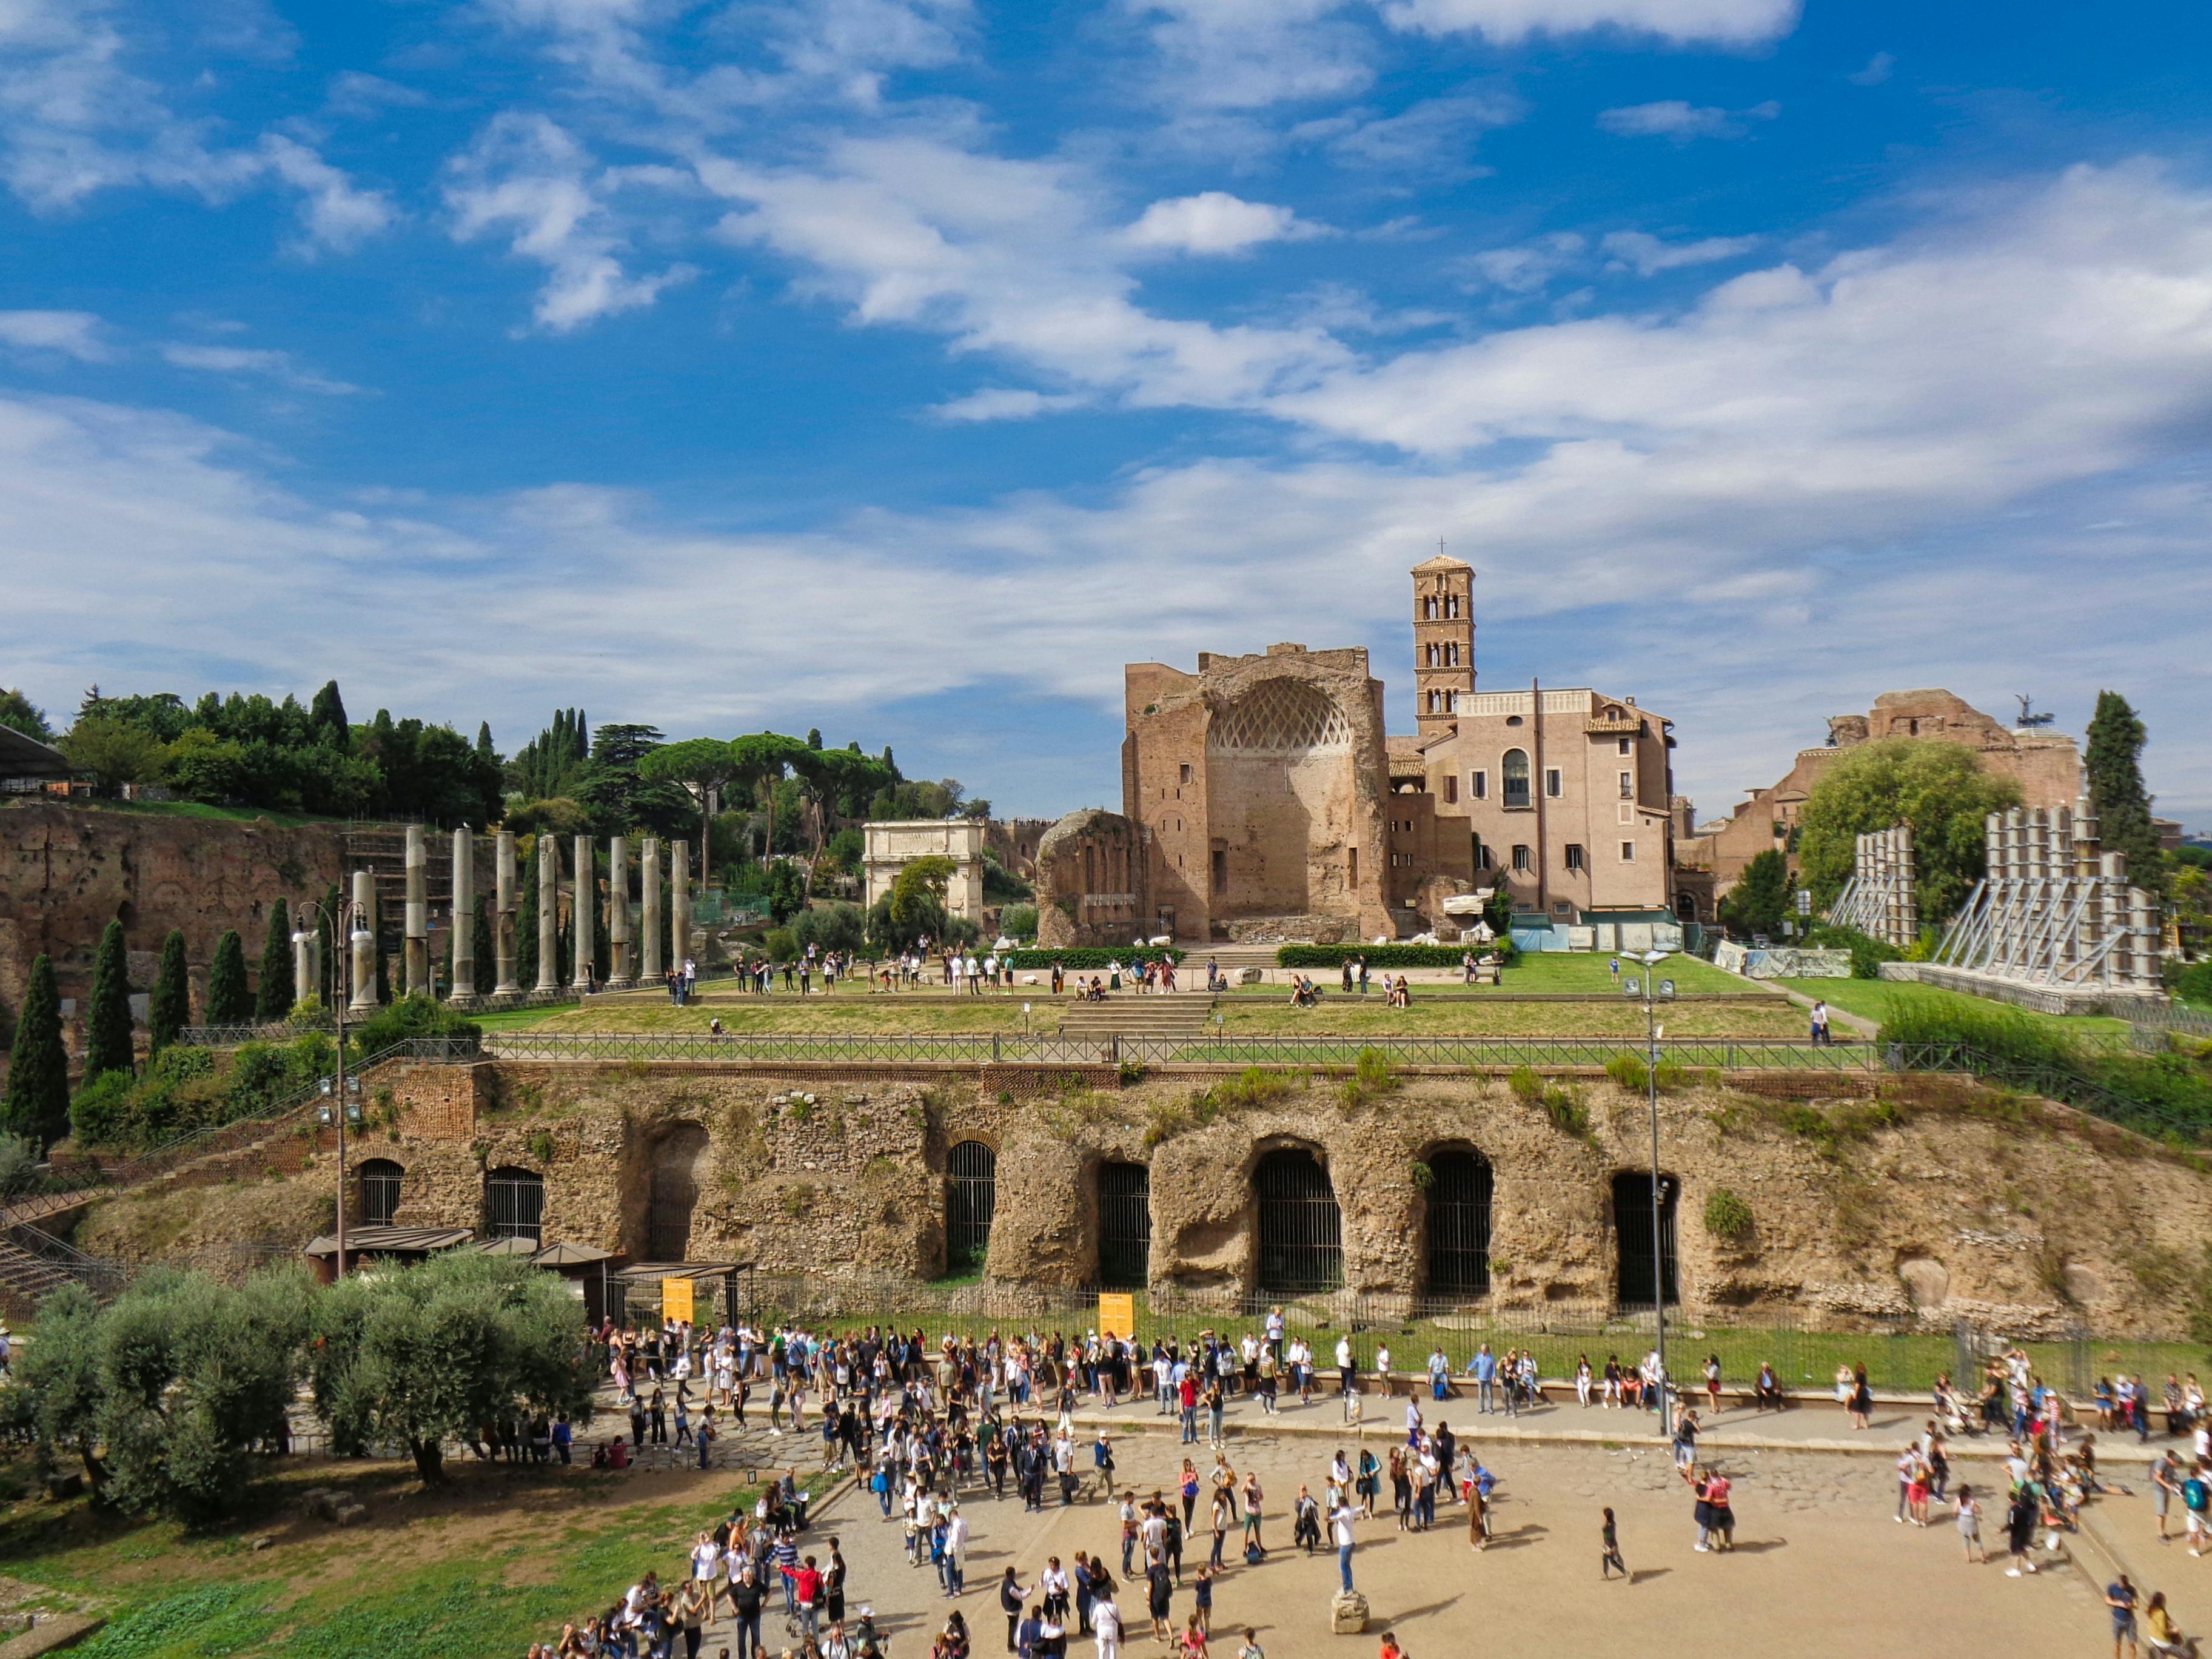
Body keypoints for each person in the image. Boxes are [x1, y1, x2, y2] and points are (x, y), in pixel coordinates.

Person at [2106, 1575, 2139, 1659]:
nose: (2124, 1587)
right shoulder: (2112, 1588)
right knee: (2117, 1644)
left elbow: (2136, 1604)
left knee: (2132, 1644)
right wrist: (2119, 1604)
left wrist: (2130, 1605)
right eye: (2122, 1585)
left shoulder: (2132, 1589)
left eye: (2125, 1585)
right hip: (2117, 1619)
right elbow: (2107, 1600)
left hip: (2130, 1620)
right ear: (2119, 1582)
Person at [1331, 1497, 1358, 1593]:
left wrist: (1329, 1519)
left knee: (1343, 1566)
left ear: (1340, 1505)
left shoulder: (1342, 1513)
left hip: (1345, 1545)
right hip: (1351, 1543)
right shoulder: (1350, 1511)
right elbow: (1357, 1509)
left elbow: (1336, 1518)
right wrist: (1364, 1506)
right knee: (1347, 1566)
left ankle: (1347, 1587)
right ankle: (1349, 1585)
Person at [1956, 1484, 1985, 1564]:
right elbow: (1979, 1512)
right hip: (1971, 1520)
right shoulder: (1972, 1501)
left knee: (1965, 1539)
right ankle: (1982, 1557)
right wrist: (1979, 1506)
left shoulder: (1959, 1500)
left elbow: (1955, 1511)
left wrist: (1957, 1515)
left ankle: (1968, 1558)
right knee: (1977, 1540)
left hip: (1963, 1519)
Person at [1600, 1506, 1626, 1581]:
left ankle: (1626, 1573)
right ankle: (1605, 1574)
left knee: (1612, 1562)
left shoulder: (1607, 1527)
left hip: (1609, 1546)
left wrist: (1608, 1549)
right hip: (1612, 1545)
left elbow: (1608, 1538)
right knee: (1608, 1560)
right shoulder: (1612, 1524)